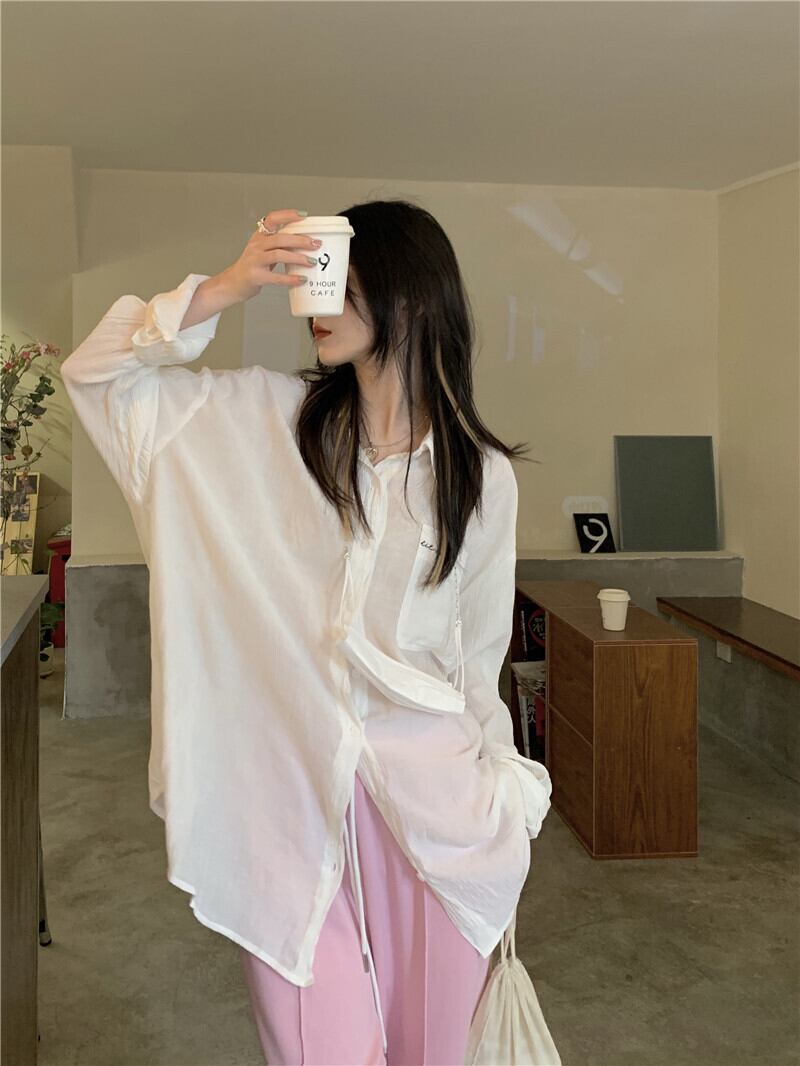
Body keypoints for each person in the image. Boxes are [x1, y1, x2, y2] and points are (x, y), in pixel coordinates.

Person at [60, 199, 553, 1065]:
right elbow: (98, 377)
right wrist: (226, 287)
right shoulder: (271, 424)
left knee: (433, 1054)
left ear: (406, 293)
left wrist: (506, 803)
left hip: (439, 818)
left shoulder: (481, 480)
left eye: (335, 279)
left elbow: (476, 668)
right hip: (285, 808)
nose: (314, 302)